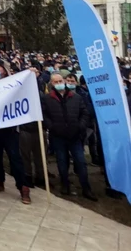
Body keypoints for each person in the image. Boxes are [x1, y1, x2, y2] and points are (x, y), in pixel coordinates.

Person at [42, 72, 98, 201]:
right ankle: (65, 184)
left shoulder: (76, 97)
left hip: (75, 136)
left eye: (60, 81)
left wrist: (80, 126)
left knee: (81, 162)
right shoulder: (47, 99)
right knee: (62, 162)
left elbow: (84, 113)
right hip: (58, 136)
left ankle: (86, 188)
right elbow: (44, 116)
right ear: (51, 83)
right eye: (56, 82)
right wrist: (52, 126)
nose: (59, 84)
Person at [0, 60, 30, 204]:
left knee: (15, 158)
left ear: (5, 70)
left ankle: (23, 187)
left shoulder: (13, 83)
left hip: (9, 129)